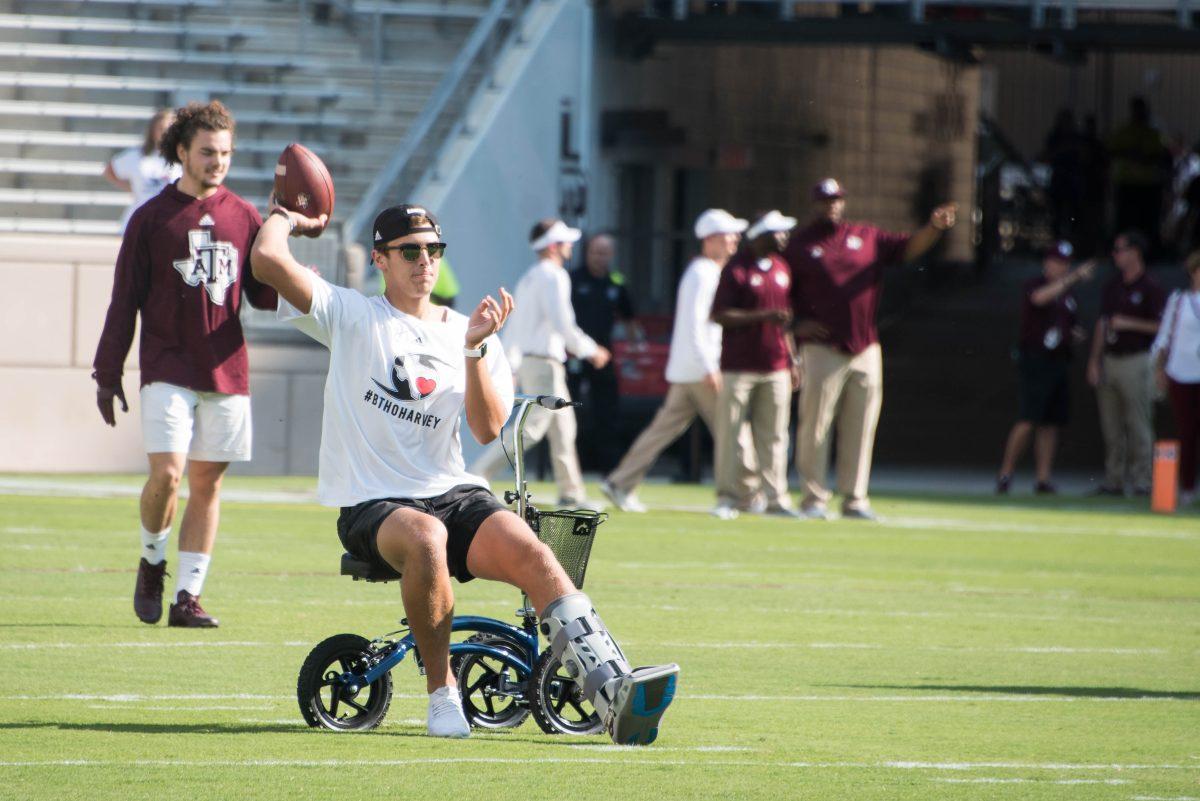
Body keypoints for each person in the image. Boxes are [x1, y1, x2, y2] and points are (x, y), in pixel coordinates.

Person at [250, 202, 678, 744]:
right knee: (427, 536)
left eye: (433, 249)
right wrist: (289, 214)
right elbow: (266, 259)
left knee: (535, 552)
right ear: (381, 258)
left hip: (451, 491)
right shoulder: (353, 313)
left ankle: (614, 691)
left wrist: (474, 349)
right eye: (409, 250)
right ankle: (441, 694)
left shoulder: (468, 330)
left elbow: (487, 427)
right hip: (372, 502)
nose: (424, 260)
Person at [93, 100, 278, 628]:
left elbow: (262, 298)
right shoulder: (149, 218)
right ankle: (153, 560)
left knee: (208, 483)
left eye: (224, 153)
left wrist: (291, 259)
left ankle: (187, 597)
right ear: (181, 152)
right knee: (167, 475)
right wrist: (107, 374)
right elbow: (122, 301)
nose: (217, 161)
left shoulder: (245, 216)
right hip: (167, 365)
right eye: (207, 152)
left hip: (226, 368)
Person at [785, 178, 956, 520]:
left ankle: (855, 498)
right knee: (816, 426)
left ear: (843, 202)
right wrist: (794, 327)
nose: (830, 205)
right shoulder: (799, 244)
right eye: (824, 200)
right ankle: (814, 498)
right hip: (821, 347)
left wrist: (934, 228)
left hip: (864, 347)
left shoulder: (866, 237)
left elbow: (908, 248)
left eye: (836, 199)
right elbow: (781, 292)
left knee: (861, 425)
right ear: (814, 203)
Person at [600, 210, 756, 513]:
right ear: (710, 240)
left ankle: (619, 482)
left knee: (662, 430)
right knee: (735, 429)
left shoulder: (705, 271)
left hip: (689, 370)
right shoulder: (704, 273)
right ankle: (751, 494)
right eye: (728, 235)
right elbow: (698, 324)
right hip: (701, 370)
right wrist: (709, 366)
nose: (734, 239)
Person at [470, 219, 610, 509]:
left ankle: (571, 493)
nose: (571, 246)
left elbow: (520, 327)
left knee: (563, 429)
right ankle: (475, 476)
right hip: (544, 364)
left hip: (540, 363)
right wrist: (591, 350)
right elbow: (564, 324)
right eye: (565, 241)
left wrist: (513, 365)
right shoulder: (552, 276)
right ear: (554, 246)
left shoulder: (533, 275)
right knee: (532, 428)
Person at [709, 210, 801, 520]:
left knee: (775, 435)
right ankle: (727, 496)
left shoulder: (782, 267)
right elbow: (720, 315)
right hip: (739, 366)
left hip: (775, 365)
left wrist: (793, 359)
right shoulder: (736, 270)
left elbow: (785, 320)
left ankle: (776, 498)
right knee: (731, 433)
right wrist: (762, 317)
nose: (785, 238)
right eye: (779, 232)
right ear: (762, 235)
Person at [996, 242, 1095, 495]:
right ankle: (1006, 473)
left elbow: (1068, 323)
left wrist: (1074, 334)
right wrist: (1072, 279)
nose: (1062, 268)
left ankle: (1043, 477)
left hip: (1059, 359)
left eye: (1066, 264)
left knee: (1051, 422)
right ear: (1047, 263)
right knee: (1029, 418)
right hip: (1036, 359)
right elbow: (1039, 299)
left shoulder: (1067, 296)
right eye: (1057, 262)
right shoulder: (1036, 284)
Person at [1087, 230, 1167, 496]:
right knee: (1111, 426)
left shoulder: (1151, 287)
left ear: (1135, 252)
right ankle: (1114, 480)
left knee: (1138, 423)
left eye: (1120, 249)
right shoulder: (1112, 286)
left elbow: (1162, 327)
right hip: (1111, 359)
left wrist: (1129, 323)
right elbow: (1102, 323)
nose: (1116, 255)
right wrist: (1094, 361)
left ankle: (1143, 480)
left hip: (1137, 359)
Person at [568, 233, 637, 472]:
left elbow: (630, 320)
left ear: (612, 255)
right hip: (573, 354)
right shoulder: (572, 279)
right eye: (596, 252)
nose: (600, 257)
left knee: (607, 410)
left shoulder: (616, 282)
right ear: (587, 253)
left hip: (603, 355)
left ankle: (609, 467)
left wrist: (634, 347)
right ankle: (574, 464)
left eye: (604, 253)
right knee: (569, 408)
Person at [1151, 250, 1200, 506]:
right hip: (1181, 373)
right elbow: (1164, 336)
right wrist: (1159, 368)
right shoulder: (1179, 300)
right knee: (1188, 431)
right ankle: (1187, 488)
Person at [1107, 97, 1171, 256]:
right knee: (1125, 222)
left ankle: (1151, 252)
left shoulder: (1153, 134)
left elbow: (1163, 156)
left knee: (1149, 223)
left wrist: (1144, 158)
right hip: (1128, 184)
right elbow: (1110, 152)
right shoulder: (1123, 132)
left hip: (1148, 185)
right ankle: (1121, 252)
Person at [102, 109, 182, 233]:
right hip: (139, 221)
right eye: (160, 128)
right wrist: (132, 188)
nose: (165, 133)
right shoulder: (137, 155)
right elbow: (110, 170)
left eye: (169, 129)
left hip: (169, 222)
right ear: (152, 131)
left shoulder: (181, 158)